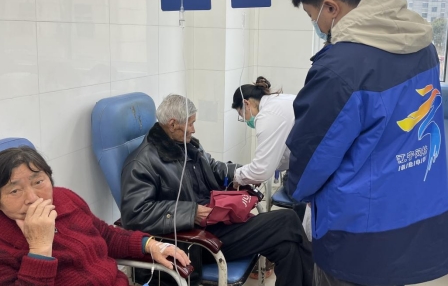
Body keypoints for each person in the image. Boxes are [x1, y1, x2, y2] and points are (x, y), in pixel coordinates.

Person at [286, 0, 448, 286]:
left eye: (313, 16)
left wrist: (293, 190)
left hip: (359, 236)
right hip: (413, 219)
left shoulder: (340, 69)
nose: (318, 26)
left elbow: (312, 159)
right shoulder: (422, 47)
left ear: (331, 7)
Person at [120, 94, 313, 286]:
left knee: (288, 248)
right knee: (288, 219)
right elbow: (135, 214)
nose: (194, 129)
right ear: (172, 124)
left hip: (217, 222)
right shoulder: (141, 163)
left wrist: (243, 174)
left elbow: (213, 167)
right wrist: (190, 212)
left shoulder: (188, 145)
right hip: (196, 241)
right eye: (191, 124)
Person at [0, 146, 190, 286]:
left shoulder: (64, 198)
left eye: (38, 182)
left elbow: (105, 235)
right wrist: (40, 249)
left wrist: (150, 245)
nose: (33, 198)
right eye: (15, 191)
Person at [231, 76, 306, 220]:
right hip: (311, 161)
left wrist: (238, 176)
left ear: (246, 103)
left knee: (299, 204)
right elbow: (282, 156)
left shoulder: (268, 115)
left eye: (242, 115)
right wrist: (257, 172)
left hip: (306, 170)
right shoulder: (279, 101)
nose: (246, 121)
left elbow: (261, 170)